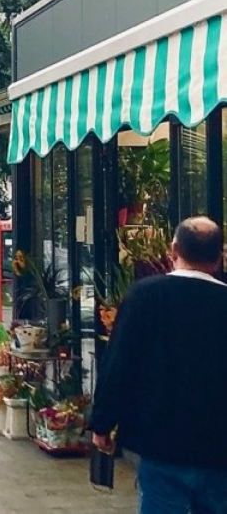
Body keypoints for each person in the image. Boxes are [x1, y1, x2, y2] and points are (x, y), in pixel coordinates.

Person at [92, 217, 227, 513]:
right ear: (220, 256)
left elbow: (119, 363)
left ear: (173, 249)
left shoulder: (144, 296)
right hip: (220, 447)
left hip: (161, 442)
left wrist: (102, 422)